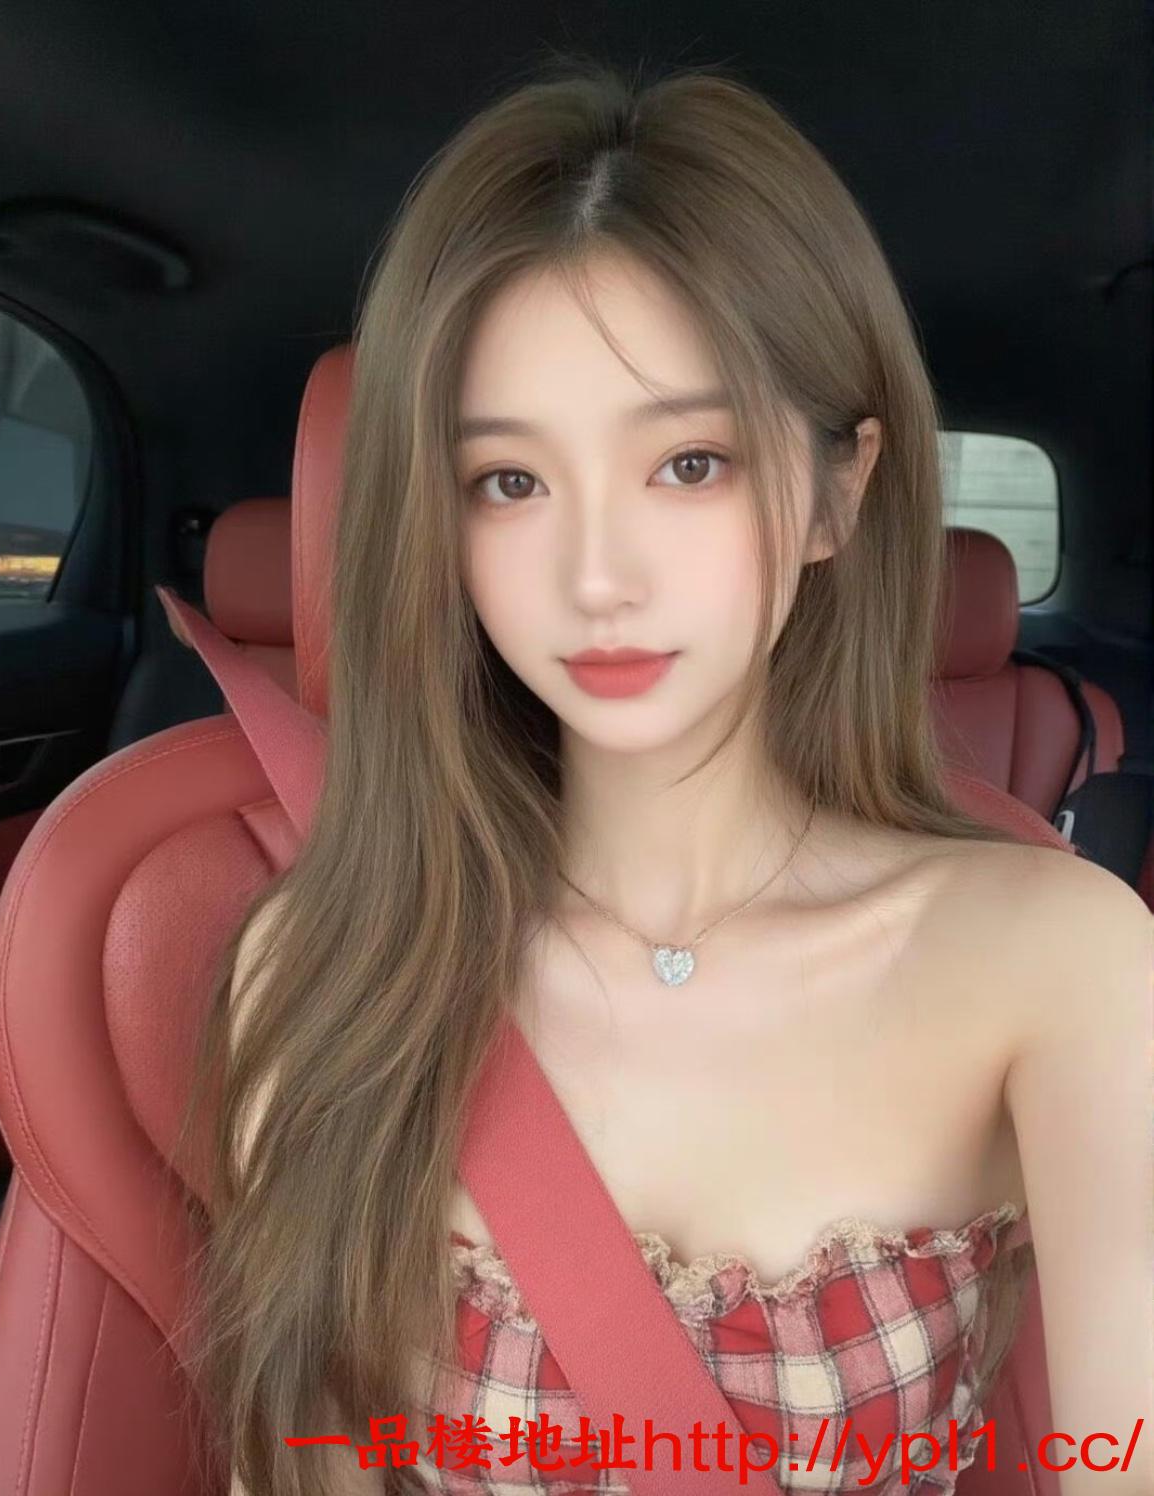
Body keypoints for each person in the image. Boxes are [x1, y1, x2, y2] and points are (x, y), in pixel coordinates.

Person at [169, 51, 1153, 1496]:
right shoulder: (323, 966)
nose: (597, 576)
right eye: (509, 482)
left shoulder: (1060, 963)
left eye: (690, 463)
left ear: (834, 492)